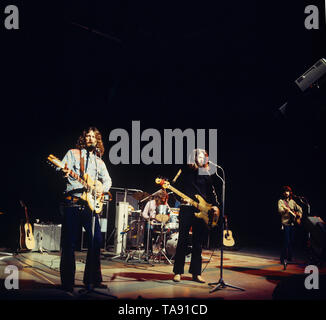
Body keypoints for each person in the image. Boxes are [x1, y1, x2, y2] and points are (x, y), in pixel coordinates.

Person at [59, 127, 112, 293]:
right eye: (87, 136)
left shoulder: (99, 161)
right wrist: (64, 171)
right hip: (73, 202)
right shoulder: (73, 153)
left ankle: (92, 279)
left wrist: (100, 188)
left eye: (93, 136)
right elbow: (60, 168)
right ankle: (67, 283)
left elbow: (108, 180)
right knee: (69, 244)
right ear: (84, 139)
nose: (90, 138)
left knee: (96, 241)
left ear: (97, 141)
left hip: (90, 206)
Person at [172, 149, 220, 283]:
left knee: (198, 243)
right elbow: (174, 186)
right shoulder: (184, 171)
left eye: (204, 156)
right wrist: (179, 199)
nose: (203, 158)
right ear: (193, 157)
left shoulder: (206, 173)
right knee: (182, 241)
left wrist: (215, 205)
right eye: (200, 156)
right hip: (187, 209)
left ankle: (196, 273)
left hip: (202, 212)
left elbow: (211, 192)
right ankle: (178, 272)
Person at [277, 185, 303, 269]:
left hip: (292, 224)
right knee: (286, 241)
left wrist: (299, 214)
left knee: (291, 241)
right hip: (285, 224)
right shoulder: (281, 201)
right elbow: (280, 211)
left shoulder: (292, 201)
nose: (286, 193)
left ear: (290, 192)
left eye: (287, 191)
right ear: (283, 193)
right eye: (285, 191)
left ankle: (289, 257)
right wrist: (285, 210)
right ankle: (283, 258)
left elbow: (300, 209)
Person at [141, 190, 170, 255]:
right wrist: (149, 218)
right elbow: (144, 213)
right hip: (151, 221)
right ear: (157, 198)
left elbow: (169, 212)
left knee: (169, 230)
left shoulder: (165, 204)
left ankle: (165, 249)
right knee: (148, 228)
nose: (162, 201)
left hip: (161, 223)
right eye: (161, 199)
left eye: (164, 200)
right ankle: (148, 250)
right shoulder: (150, 203)